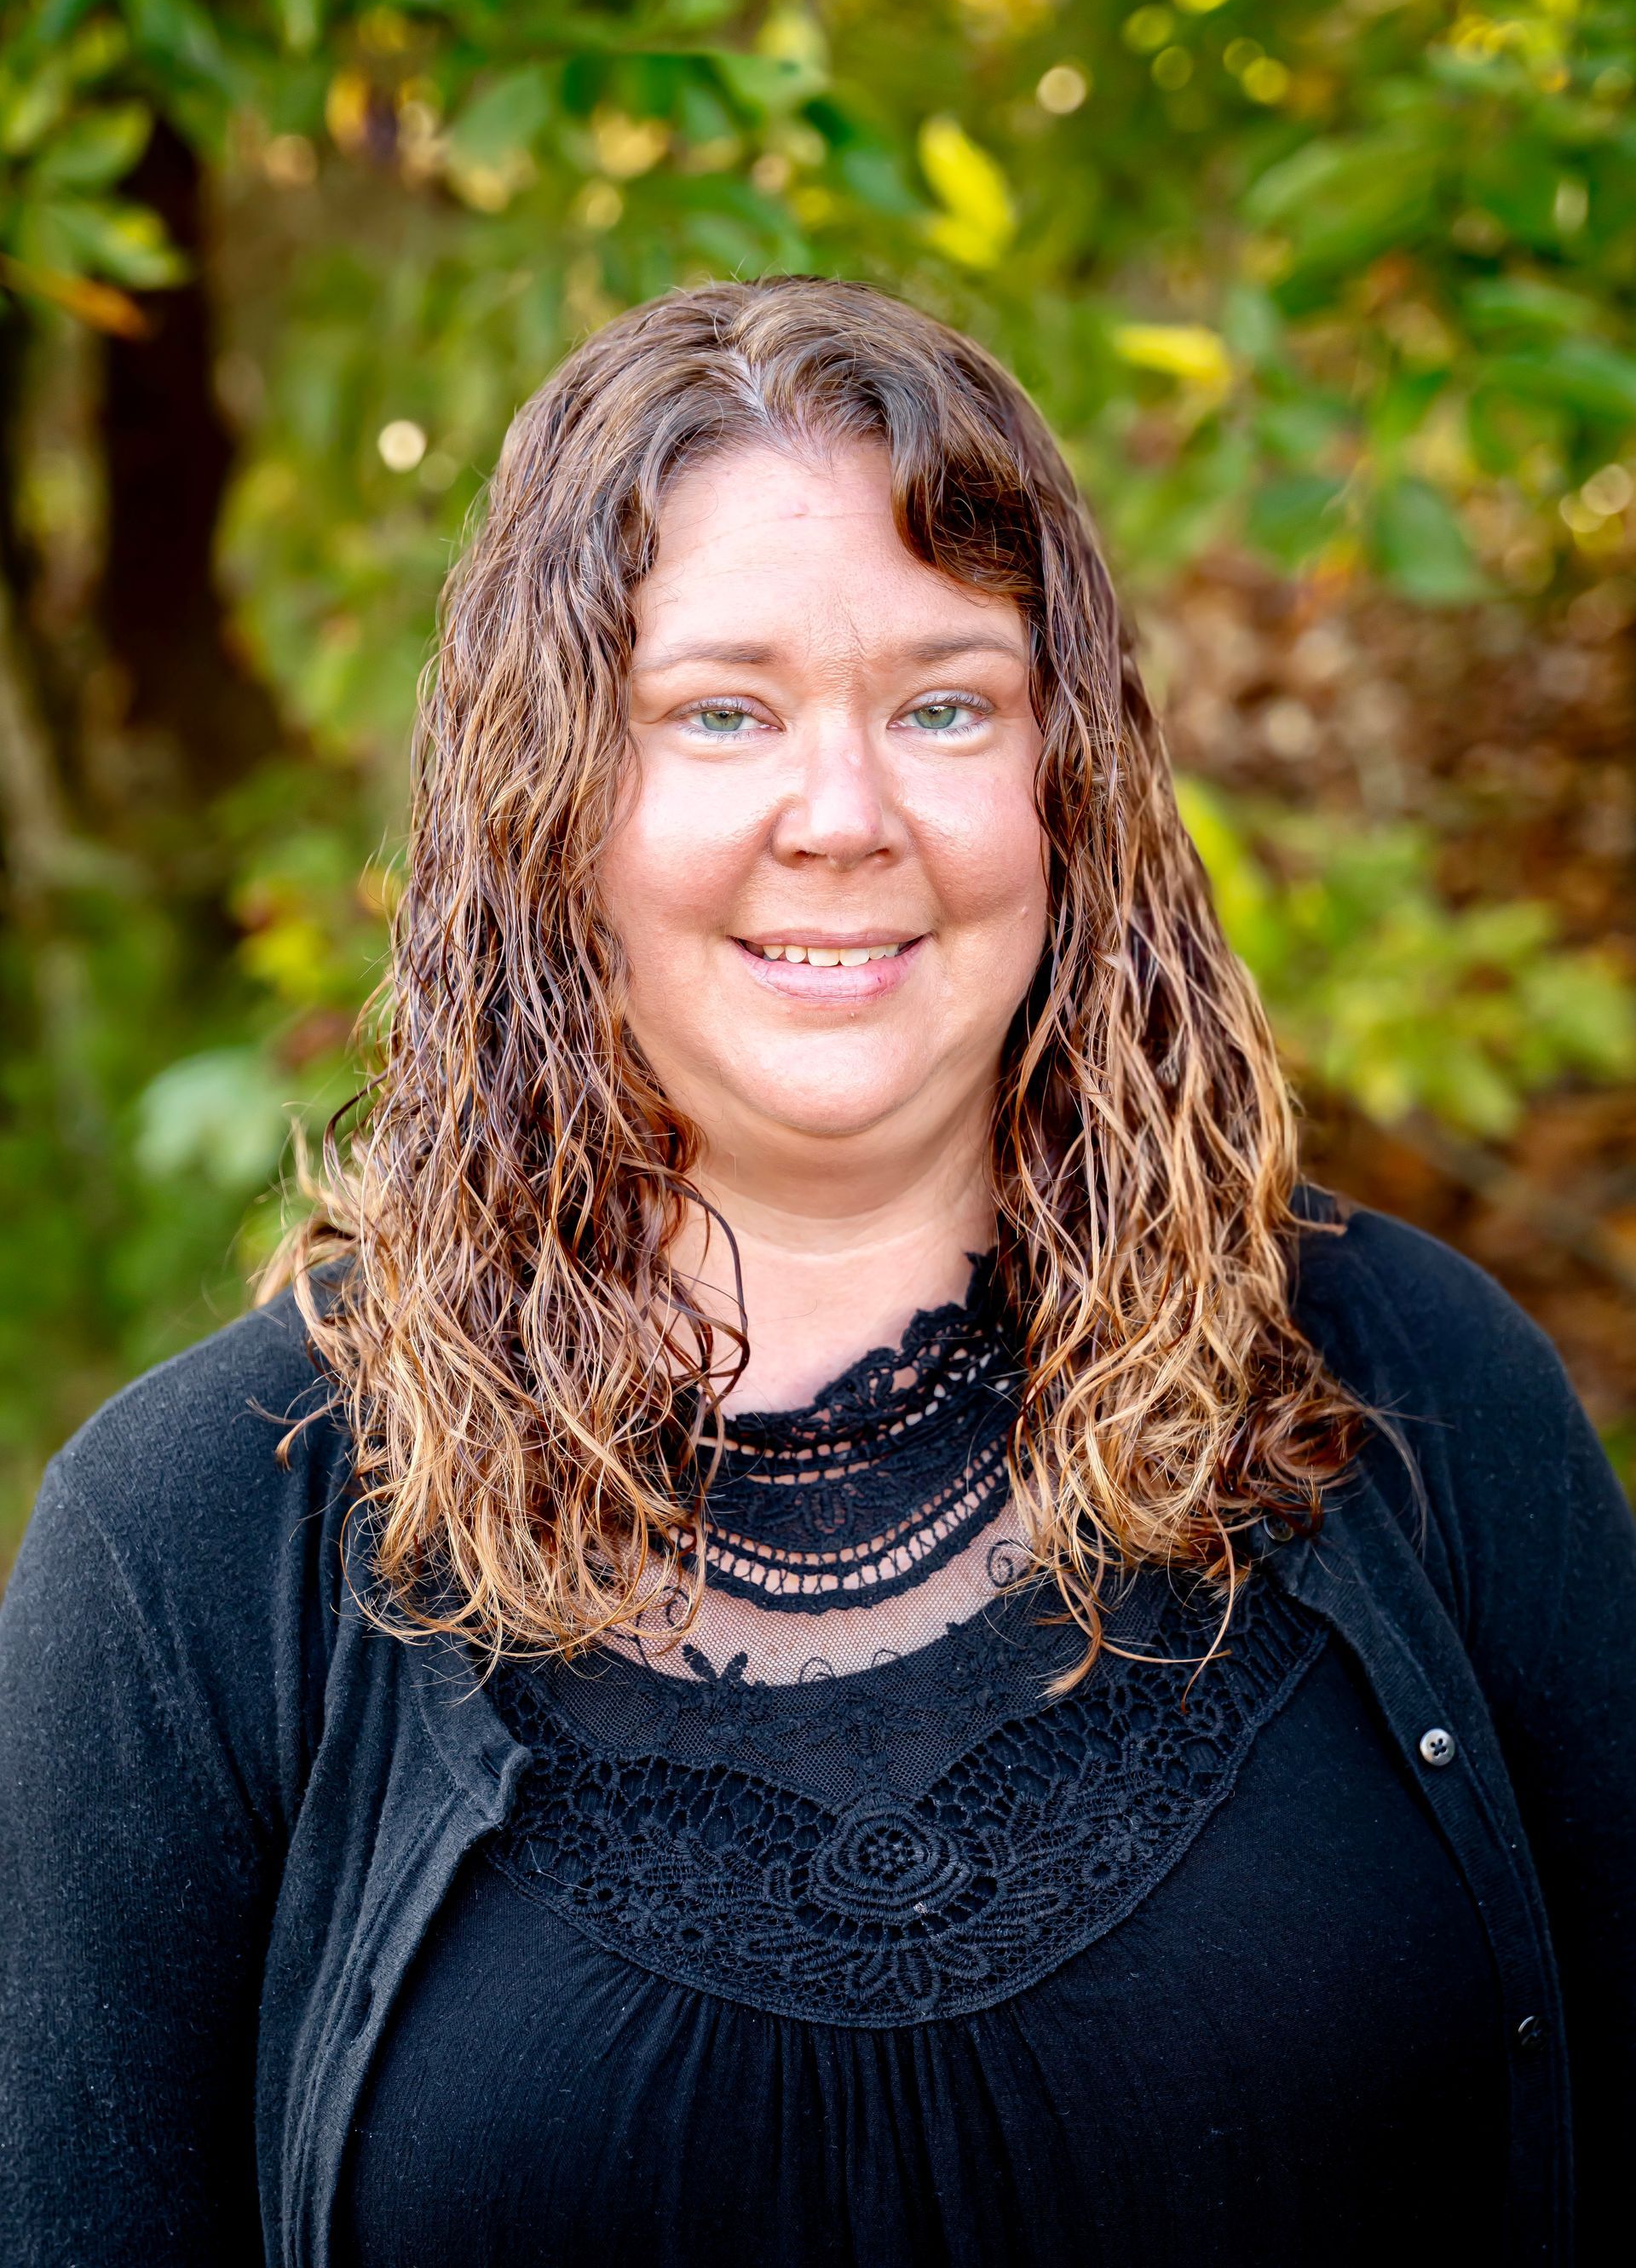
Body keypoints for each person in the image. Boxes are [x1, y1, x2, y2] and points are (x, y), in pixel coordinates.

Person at [2, 277, 1632, 2268]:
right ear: (550, 807)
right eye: (721, 714)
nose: (844, 817)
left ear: (1071, 784)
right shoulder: (191, 1550)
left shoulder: (1413, 1396)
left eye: (945, 704)